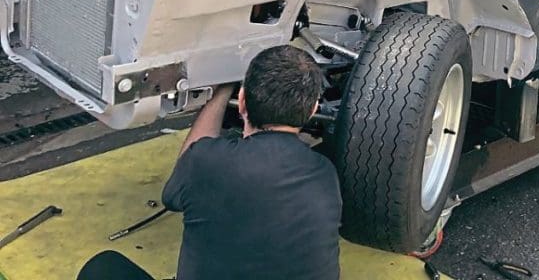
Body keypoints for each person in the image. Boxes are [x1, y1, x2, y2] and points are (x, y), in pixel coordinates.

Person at [77, 45, 342, 280]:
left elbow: (173, 194)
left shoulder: (207, 162)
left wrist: (220, 92)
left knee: (102, 269)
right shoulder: (325, 175)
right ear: (312, 110)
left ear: (242, 102)